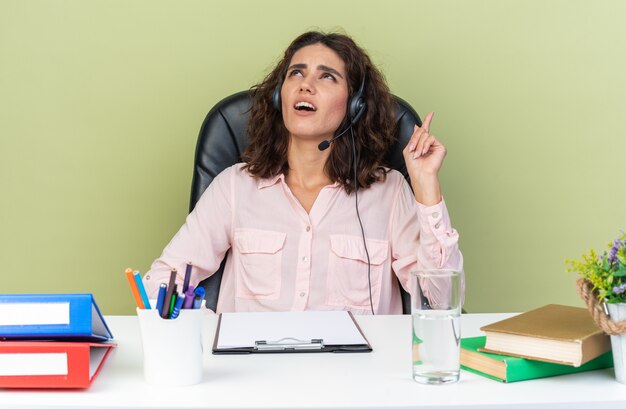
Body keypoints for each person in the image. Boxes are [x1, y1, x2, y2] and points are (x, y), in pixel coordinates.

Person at [143, 31, 463, 314]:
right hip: (251, 374)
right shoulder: (234, 186)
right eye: (296, 73)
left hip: (357, 376)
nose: (305, 85)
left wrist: (426, 188)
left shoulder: (390, 192)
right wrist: (205, 330)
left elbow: (441, 302)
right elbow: (162, 281)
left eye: (326, 77)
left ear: (355, 106)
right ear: (278, 95)